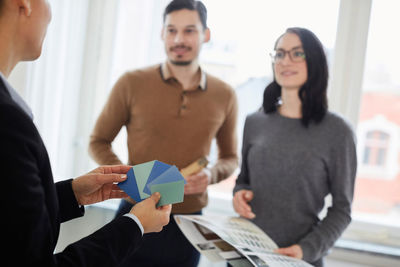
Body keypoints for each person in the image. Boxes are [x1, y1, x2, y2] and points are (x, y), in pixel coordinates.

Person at [0, 0, 171, 266]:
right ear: (23, 4)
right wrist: (134, 225)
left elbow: (10, 224)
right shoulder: (9, 122)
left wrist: (71, 194)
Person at [89, 0, 238, 266]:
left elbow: (230, 158)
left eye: (189, 30)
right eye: (171, 30)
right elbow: (98, 141)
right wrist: (128, 177)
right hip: (136, 212)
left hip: (188, 222)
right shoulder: (131, 83)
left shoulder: (225, 95)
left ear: (206, 34)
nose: (179, 39)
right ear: (162, 33)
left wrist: (210, 175)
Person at [232, 27, 357, 267]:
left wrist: (305, 250)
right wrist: (239, 193)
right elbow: (244, 180)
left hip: (298, 260)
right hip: (245, 256)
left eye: (297, 54)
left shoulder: (337, 131)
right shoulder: (255, 121)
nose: (285, 61)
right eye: (279, 54)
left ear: (315, 62)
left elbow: (342, 210)